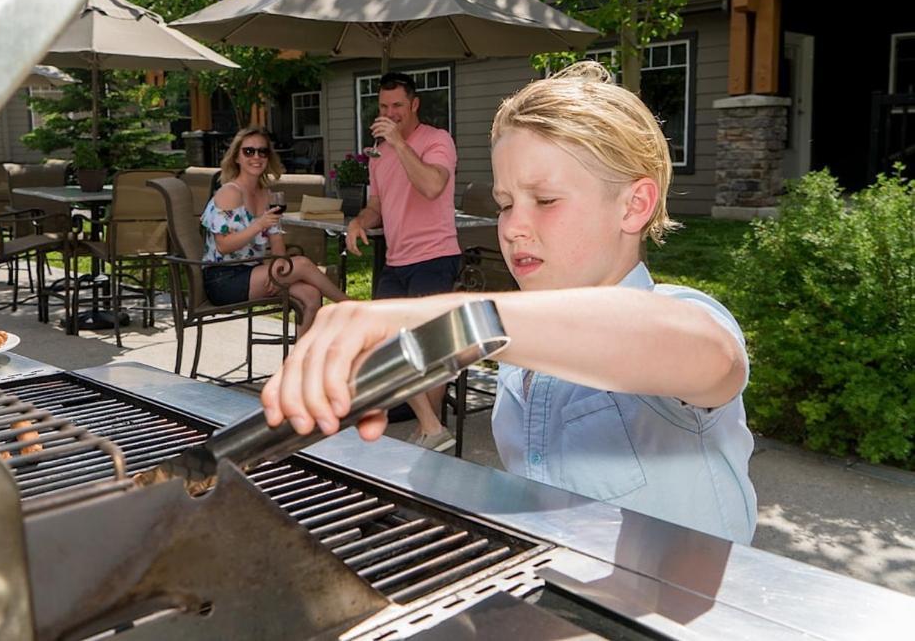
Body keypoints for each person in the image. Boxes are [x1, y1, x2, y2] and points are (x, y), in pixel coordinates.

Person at [260, 62, 758, 544]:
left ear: (634, 205)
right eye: (504, 204)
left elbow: (710, 353)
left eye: (544, 201)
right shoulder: (521, 361)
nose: (514, 226)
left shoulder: (686, 317)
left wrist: (443, 320)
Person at [345, 72, 462, 452]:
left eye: (397, 105)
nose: (389, 113)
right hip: (396, 260)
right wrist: (359, 221)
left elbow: (432, 185)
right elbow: (377, 205)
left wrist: (398, 142)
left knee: (429, 349)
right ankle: (432, 427)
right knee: (385, 342)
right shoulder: (379, 153)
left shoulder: (436, 140)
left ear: (414, 105)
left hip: (435, 256)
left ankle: (431, 428)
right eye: (383, 106)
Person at [201, 126, 349, 332]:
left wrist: (277, 272)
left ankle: (298, 361)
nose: (256, 157)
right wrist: (259, 225)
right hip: (224, 279)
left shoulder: (266, 195)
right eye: (249, 151)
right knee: (303, 264)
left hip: (254, 272)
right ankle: (351, 307)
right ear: (236, 157)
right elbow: (224, 245)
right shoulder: (230, 192)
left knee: (311, 295)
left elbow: (277, 242)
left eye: (263, 151)